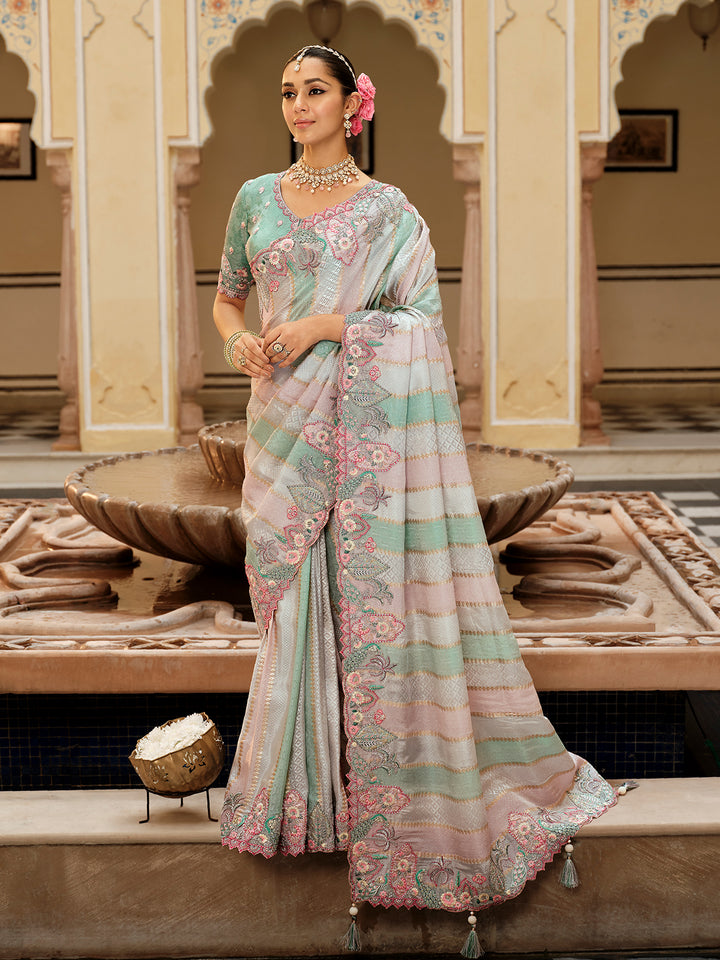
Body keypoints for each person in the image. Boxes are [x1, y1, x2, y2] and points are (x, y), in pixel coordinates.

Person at [214, 43, 616, 951]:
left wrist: (325, 324)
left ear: (352, 104)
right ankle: (299, 802)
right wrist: (238, 341)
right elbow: (228, 299)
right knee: (287, 601)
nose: (297, 104)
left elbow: (421, 328)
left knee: (362, 605)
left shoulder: (390, 213)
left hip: (358, 436)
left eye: (314, 89)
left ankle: (374, 802)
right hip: (278, 424)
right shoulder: (250, 199)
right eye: (287, 92)